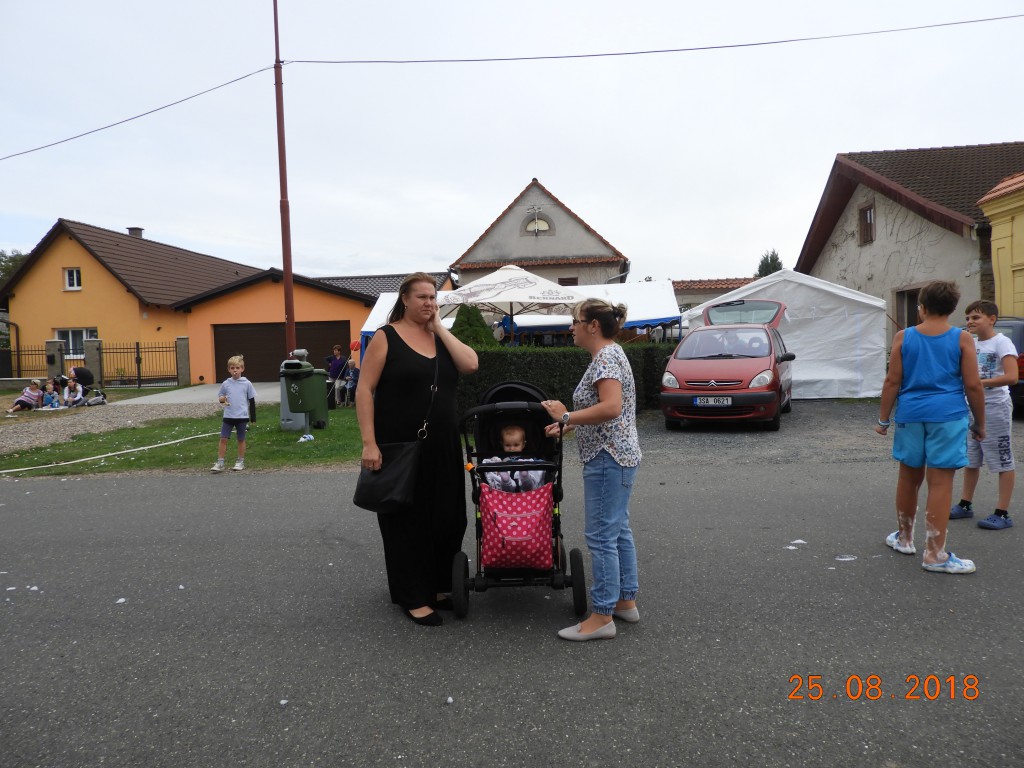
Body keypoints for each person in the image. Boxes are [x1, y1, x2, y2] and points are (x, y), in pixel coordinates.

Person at [357, 272, 478, 627]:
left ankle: (437, 586)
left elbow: (471, 364)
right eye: (422, 297)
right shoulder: (386, 337)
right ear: (405, 299)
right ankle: (412, 595)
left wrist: (438, 327)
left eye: (433, 297)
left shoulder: (440, 336)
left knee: (448, 516)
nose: (429, 302)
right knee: (406, 521)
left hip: (443, 445)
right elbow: (364, 390)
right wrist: (369, 443)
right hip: (399, 446)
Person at [542, 298, 642, 641]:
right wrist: (569, 426)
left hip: (607, 457)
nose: (571, 327)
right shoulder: (612, 354)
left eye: (575, 321)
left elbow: (611, 407)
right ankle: (625, 601)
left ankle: (601, 617)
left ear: (593, 326)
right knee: (618, 530)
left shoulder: (606, 358)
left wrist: (565, 415)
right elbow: (607, 409)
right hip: (619, 455)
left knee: (601, 536)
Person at [874, 281, 985, 574]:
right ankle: (935, 554)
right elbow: (973, 385)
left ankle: (904, 538)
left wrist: (884, 420)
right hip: (948, 416)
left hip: (910, 414)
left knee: (908, 476)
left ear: (921, 308)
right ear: (952, 308)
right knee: (941, 481)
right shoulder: (962, 338)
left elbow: (892, 381)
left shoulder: (903, 336)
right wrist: (980, 422)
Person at [950, 299, 1019, 530]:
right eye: (968, 318)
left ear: (992, 319)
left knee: (1002, 459)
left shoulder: (1002, 342)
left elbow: (1012, 376)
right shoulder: (970, 343)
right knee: (971, 458)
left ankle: (1002, 513)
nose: (970, 321)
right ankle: (965, 504)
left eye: (976, 317)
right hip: (972, 408)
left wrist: (978, 383)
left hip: (995, 408)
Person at [211, 354, 257, 473]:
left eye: (237, 368)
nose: (235, 370)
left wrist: (253, 418)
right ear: (229, 369)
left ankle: (240, 461)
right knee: (223, 439)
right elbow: (221, 398)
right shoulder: (226, 383)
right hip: (228, 416)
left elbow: (252, 400)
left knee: (241, 439)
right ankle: (220, 462)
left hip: (242, 416)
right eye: (232, 368)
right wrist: (222, 399)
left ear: (242, 369)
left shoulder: (247, 383)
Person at [481, 423, 547, 492]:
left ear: (523, 444)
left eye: (516, 445)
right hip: (506, 490)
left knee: (531, 479)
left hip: (527, 490)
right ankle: (506, 480)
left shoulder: (527, 457)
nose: (512, 449)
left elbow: (538, 462)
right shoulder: (501, 457)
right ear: (502, 444)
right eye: (507, 445)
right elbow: (492, 461)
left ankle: (525, 477)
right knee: (502, 482)